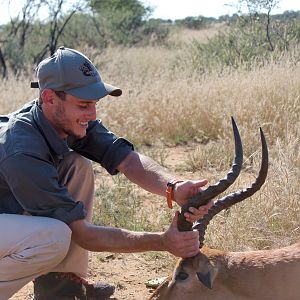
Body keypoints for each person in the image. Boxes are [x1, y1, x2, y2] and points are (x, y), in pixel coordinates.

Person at [0, 47, 212, 300]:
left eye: (95, 104)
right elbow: (85, 235)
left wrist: (174, 187)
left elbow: (129, 161)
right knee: (53, 237)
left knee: (76, 165)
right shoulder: (22, 149)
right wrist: (163, 241)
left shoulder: (60, 120)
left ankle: (61, 287)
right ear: (49, 98)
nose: (92, 114)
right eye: (84, 104)